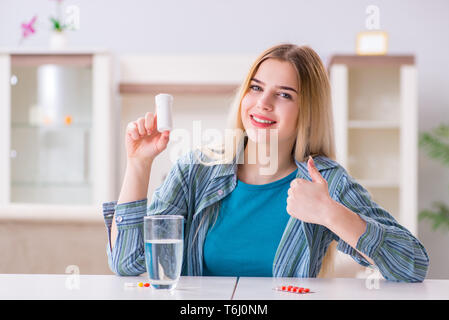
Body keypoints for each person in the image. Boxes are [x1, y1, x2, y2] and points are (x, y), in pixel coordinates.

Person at [102, 43, 429, 282]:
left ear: (308, 110)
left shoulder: (323, 182)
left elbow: (413, 264)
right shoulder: (195, 171)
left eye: (284, 94)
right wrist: (138, 164)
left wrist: (330, 213)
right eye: (256, 88)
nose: (263, 103)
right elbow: (126, 262)